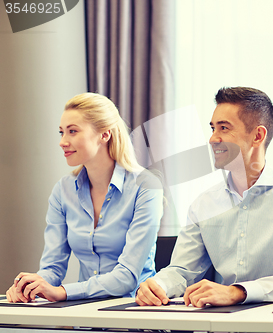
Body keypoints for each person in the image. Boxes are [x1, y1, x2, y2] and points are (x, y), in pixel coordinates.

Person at [135, 87, 273, 307]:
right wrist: (158, 285)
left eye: (224, 128)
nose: (213, 139)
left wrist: (238, 292)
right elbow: (182, 270)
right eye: (213, 128)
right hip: (224, 324)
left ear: (257, 136)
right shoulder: (203, 204)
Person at [6, 93, 163, 303]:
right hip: (84, 312)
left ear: (104, 135)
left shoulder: (146, 186)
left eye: (72, 131)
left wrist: (63, 292)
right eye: (61, 132)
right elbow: (52, 267)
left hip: (134, 310)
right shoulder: (63, 190)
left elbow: (126, 277)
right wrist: (31, 286)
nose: (63, 142)